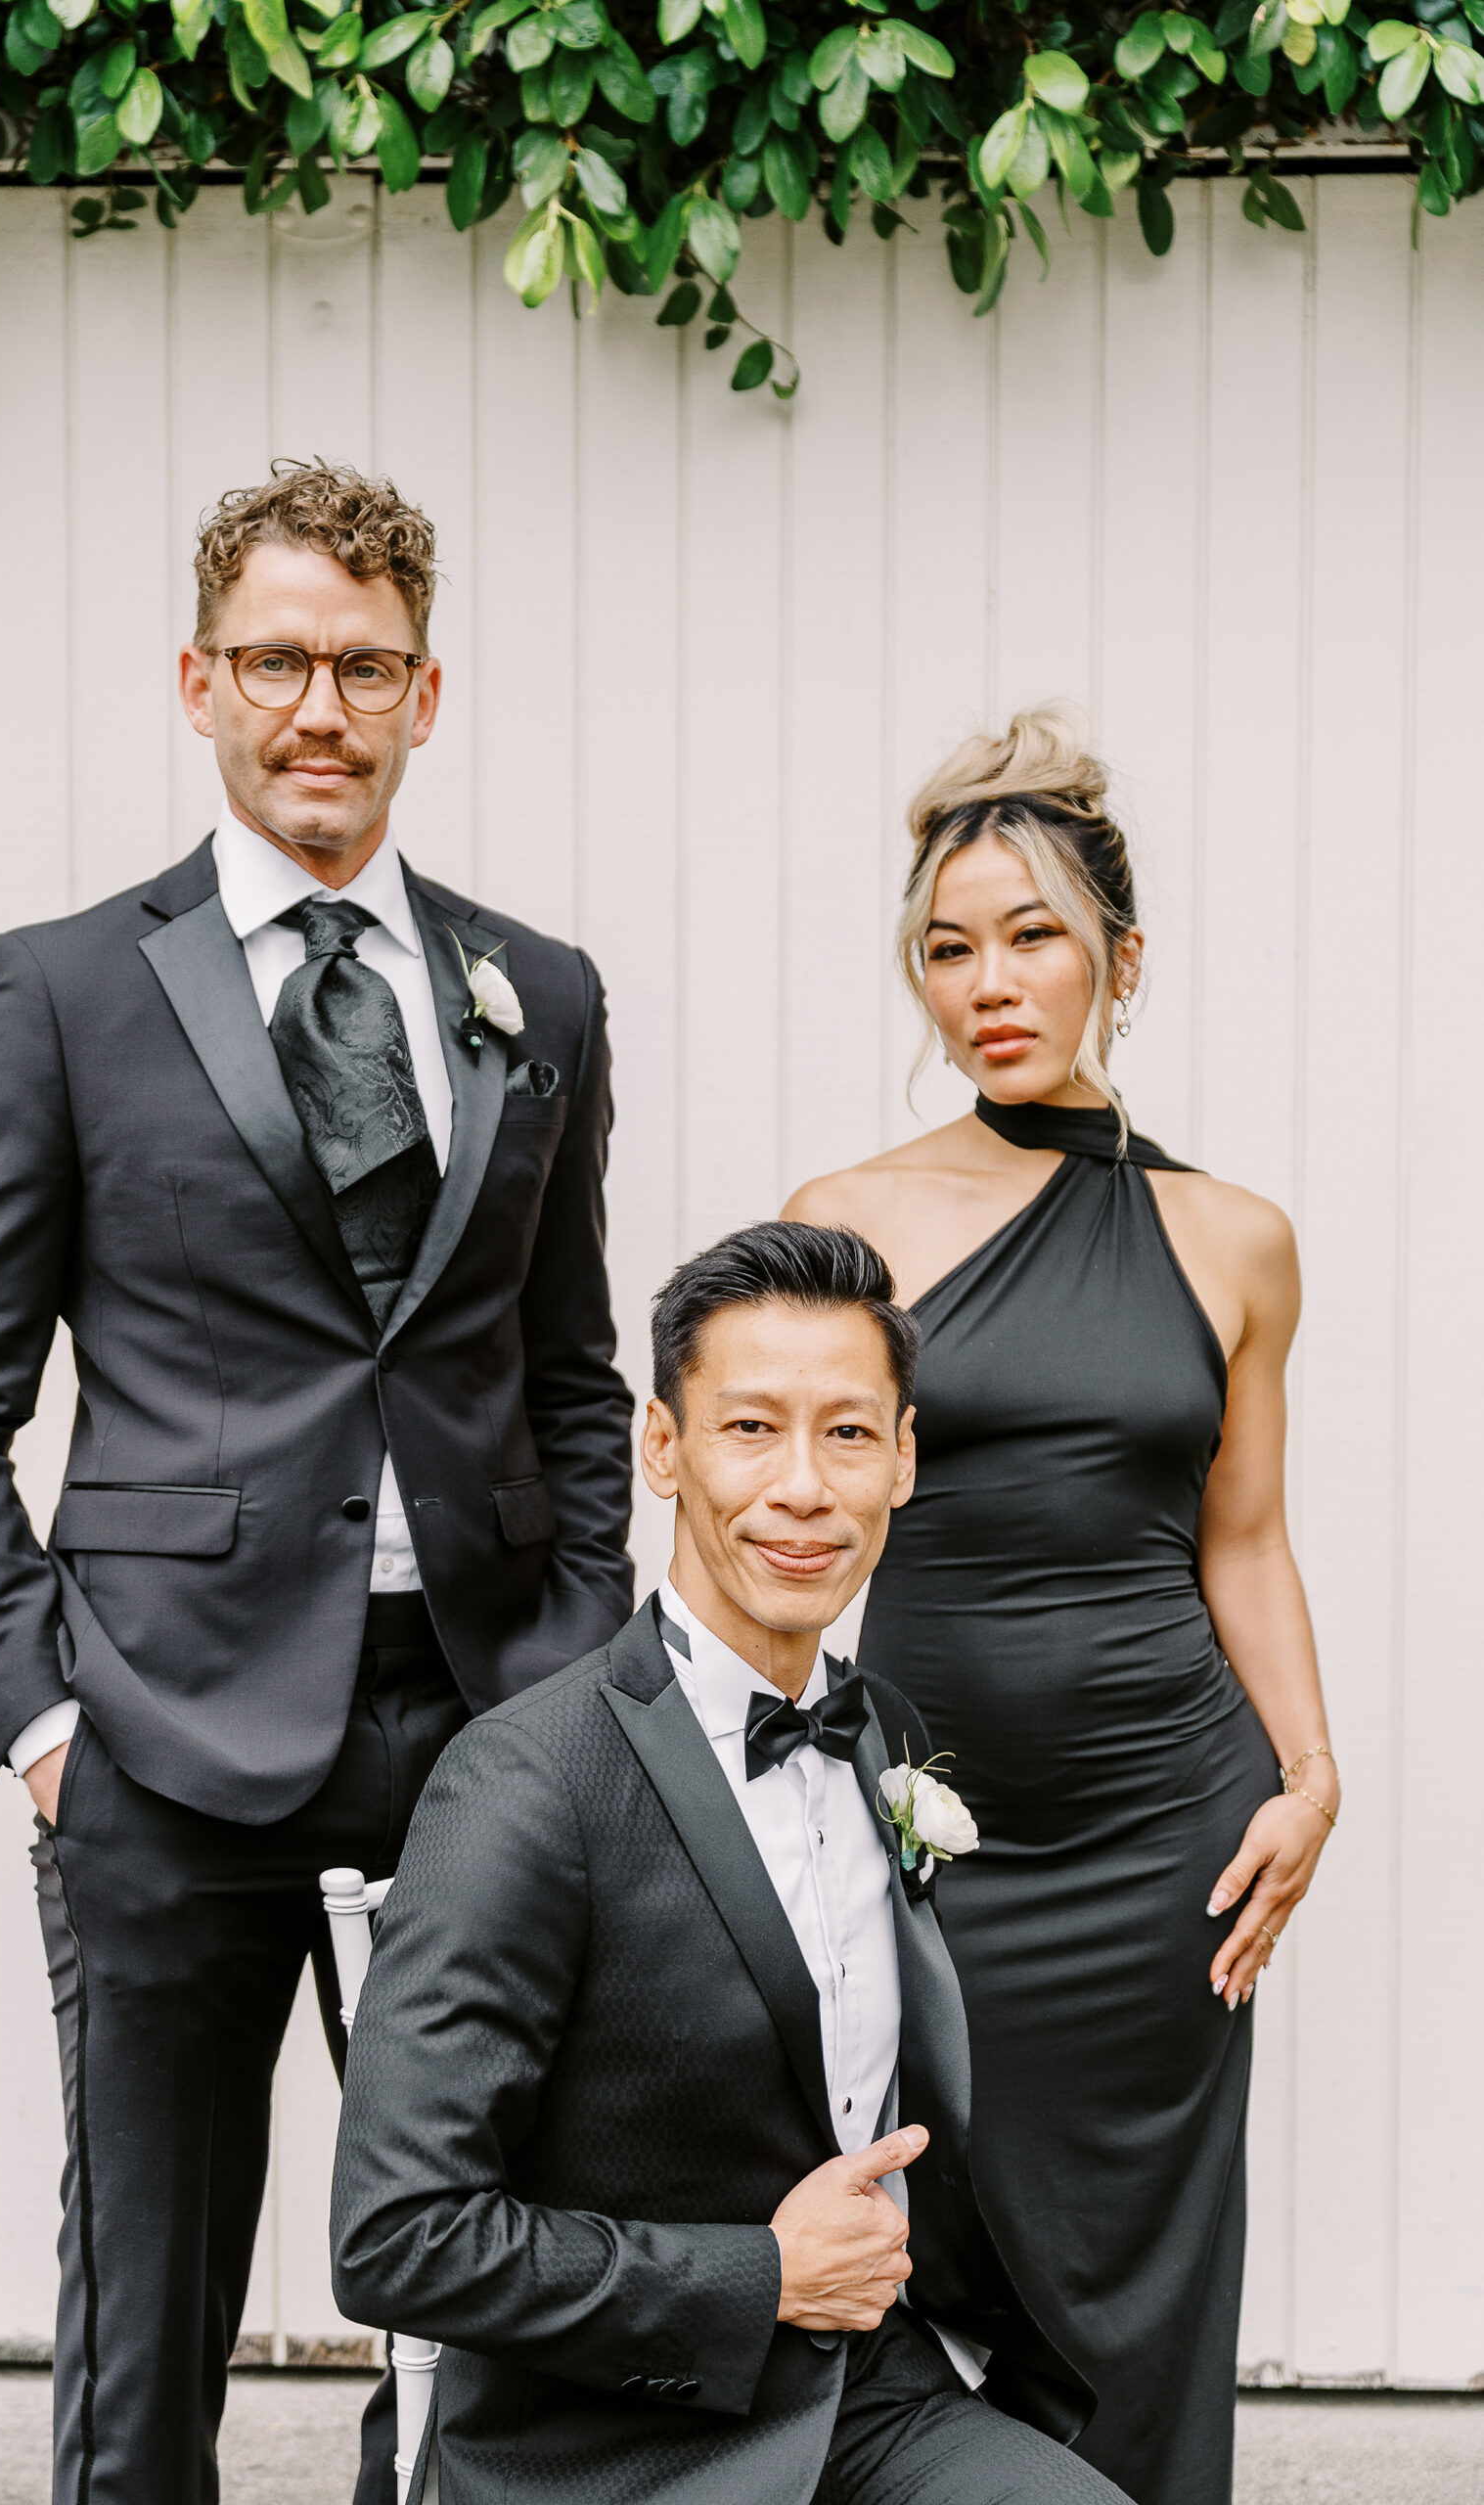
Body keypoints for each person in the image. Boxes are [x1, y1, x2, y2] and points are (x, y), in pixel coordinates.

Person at [0, 460, 635, 2505]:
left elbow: (570, 1374)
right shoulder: (59, 988)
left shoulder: (538, 990)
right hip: (158, 1732)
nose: (320, 707)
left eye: (364, 666)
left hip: (478, 1729)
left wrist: (569, 1680)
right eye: (277, 661)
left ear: (425, 694)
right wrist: (44, 1725)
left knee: (484, 2300)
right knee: (150, 2308)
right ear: (198, 680)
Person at [331, 1220, 1135, 2505]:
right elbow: (398, 2238)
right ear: (663, 1447)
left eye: (849, 1433)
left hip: (869, 2395)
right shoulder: (528, 1781)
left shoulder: (884, 1733)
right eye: (751, 1428)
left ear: (904, 1460)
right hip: (610, 2441)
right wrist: (763, 2277)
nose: (804, 1487)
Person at [782, 709, 1339, 2505]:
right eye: (949, 948)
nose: (991, 984)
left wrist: (1311, 1777)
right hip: (932, 1834)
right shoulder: (849, 1224)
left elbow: (1243, 1539)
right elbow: (777, 1507)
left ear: (1122, 957)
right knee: (929, 2242)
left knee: (1146, 2269)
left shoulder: (1235, 1238)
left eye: (1033, 936)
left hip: (1167, 1835)